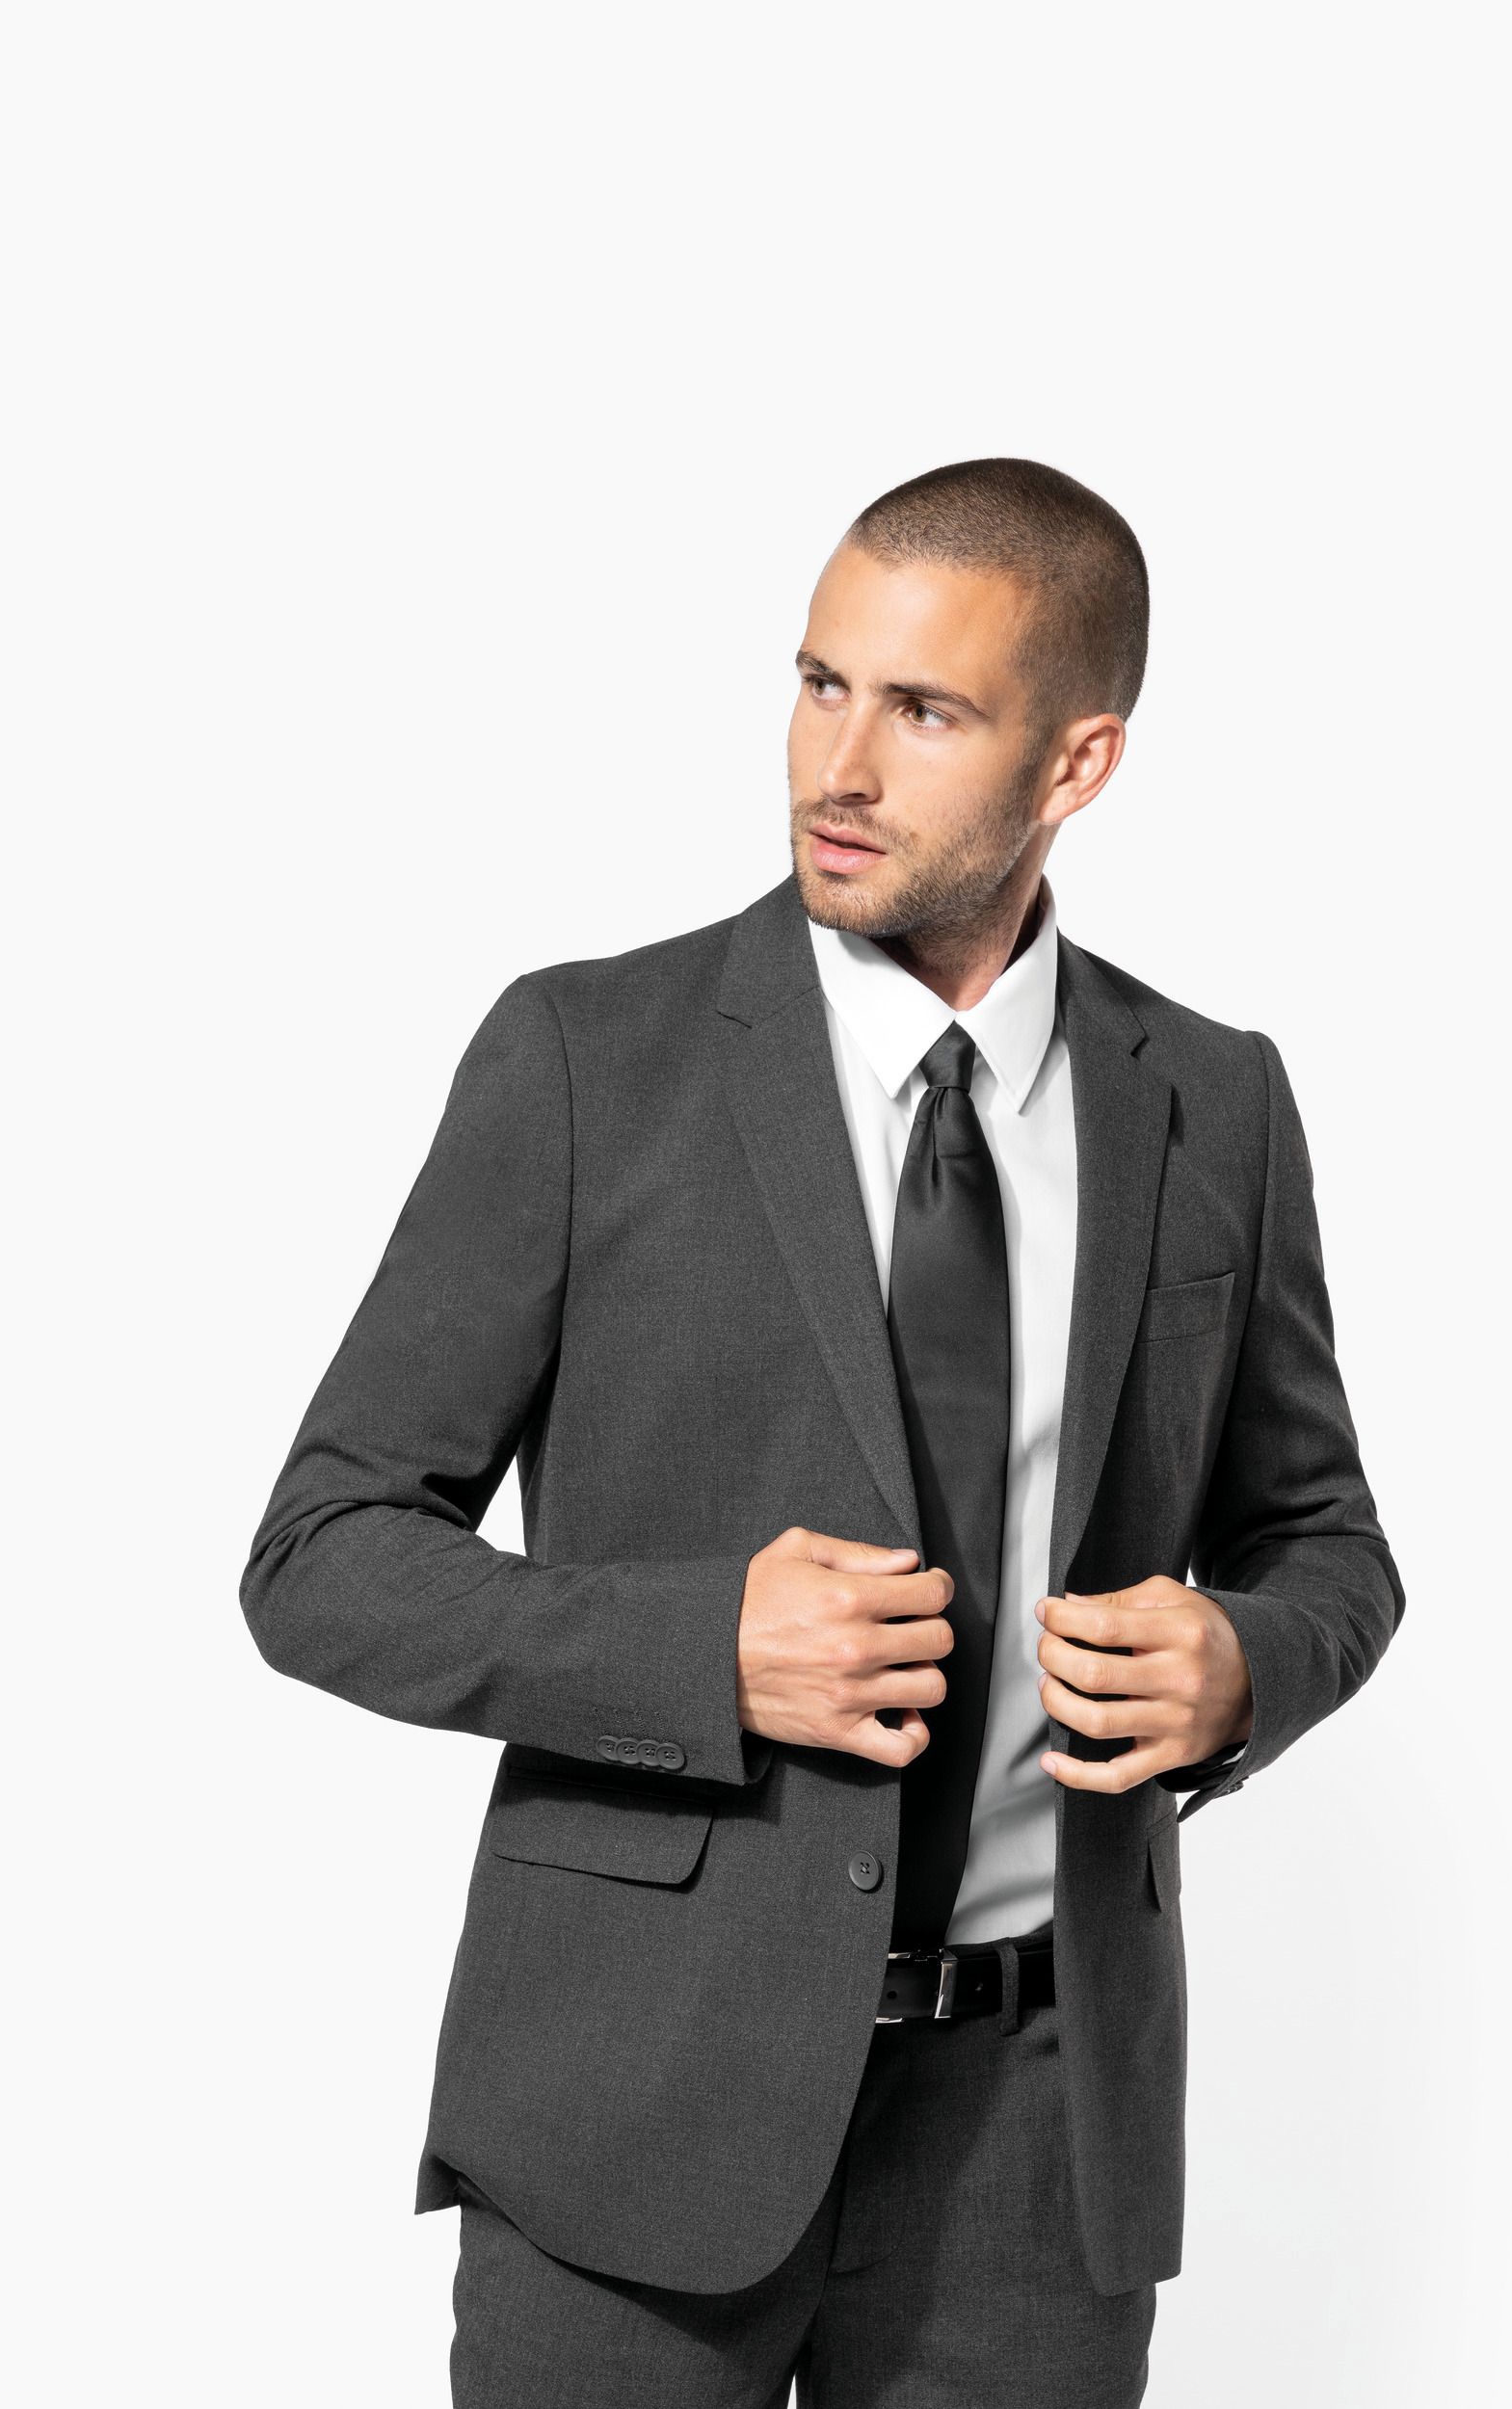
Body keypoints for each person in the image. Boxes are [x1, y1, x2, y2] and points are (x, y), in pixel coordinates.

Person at [239, 457, 1404, 2406]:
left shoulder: (1209, 1100)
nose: (836, 766)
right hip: (631, 2108)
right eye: (817, 683)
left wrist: (1243, 1662)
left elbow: (1325, 1541)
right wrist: (702, 1645)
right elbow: (320, 1556)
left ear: (1075, 760)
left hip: (1036, 2142)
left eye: (923, 711)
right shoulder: (585, 1057)